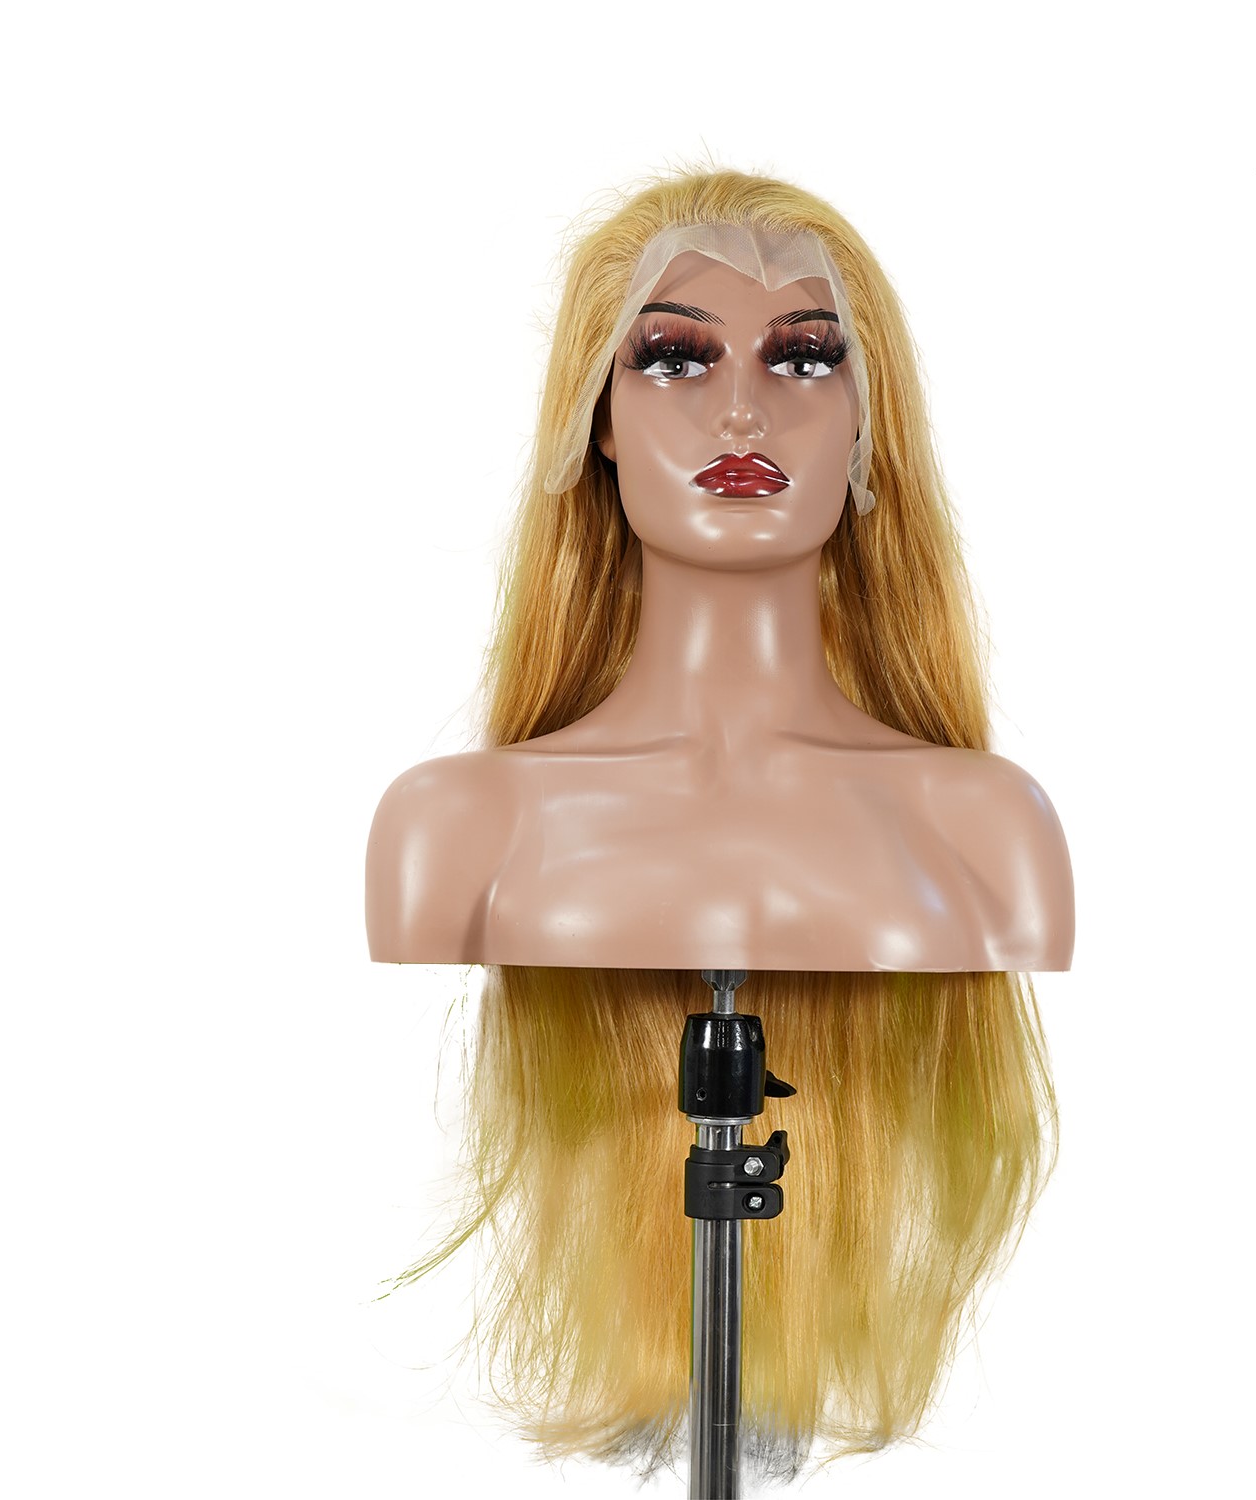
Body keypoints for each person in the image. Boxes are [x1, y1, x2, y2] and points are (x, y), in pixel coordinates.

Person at [366, 166, 1074, 1483]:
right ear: (597, 422)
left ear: (870, 428)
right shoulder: (455, 829)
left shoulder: (987, 833)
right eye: (676, 358)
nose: (743, 408)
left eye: (803, 359)